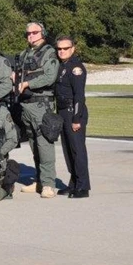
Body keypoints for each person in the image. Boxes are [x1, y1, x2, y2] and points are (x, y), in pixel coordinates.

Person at [15, 22, 60, 198]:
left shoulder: (48, 52)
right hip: (26, 104)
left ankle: (49, 183)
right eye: (28, 33)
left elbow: (50, 77)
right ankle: (40, 180)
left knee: (44, 143)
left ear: (43, 33)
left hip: (42, 104)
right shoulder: (25, 54)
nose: (30, 36)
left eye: (34, 33)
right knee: (34, 144)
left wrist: (27, 83)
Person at [55, 36, 90, 198]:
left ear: (73, 49)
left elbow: (79, 96)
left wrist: (76, 119)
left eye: (65, 48)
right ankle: (73, 183)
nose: (62, 51)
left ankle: (83, 186)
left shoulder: (76, 68)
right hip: (62, 111)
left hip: (73, 111)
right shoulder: (63, 66)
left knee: (77, 150)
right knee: (68, 150)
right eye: (59, 49)